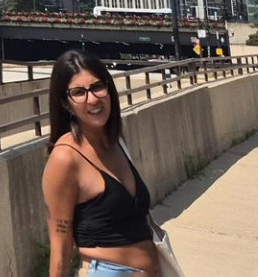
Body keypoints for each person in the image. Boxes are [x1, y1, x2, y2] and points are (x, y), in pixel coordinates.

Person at [41, 50, 165, 275]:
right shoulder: (65, 158)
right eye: (79, 92)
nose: (92, 99)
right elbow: (60, 250)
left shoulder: (116, 142)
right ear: (65, 103)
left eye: (97, 86)